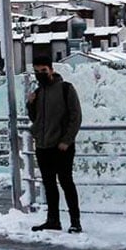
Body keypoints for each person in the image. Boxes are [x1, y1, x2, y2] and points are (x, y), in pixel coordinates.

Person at [27, 58, 83, 233]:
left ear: (51, 70)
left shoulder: (66, 89)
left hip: (61, 146)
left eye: (43, 70)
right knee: (49, 184)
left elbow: (76, 116)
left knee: (66, 182)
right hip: (43, 146)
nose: (40, 74)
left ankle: (75, 221)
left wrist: (66, 140)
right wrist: (30, 104)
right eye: (36, 71)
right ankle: (53, 220)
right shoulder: (38, 92)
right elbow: (35, 119)